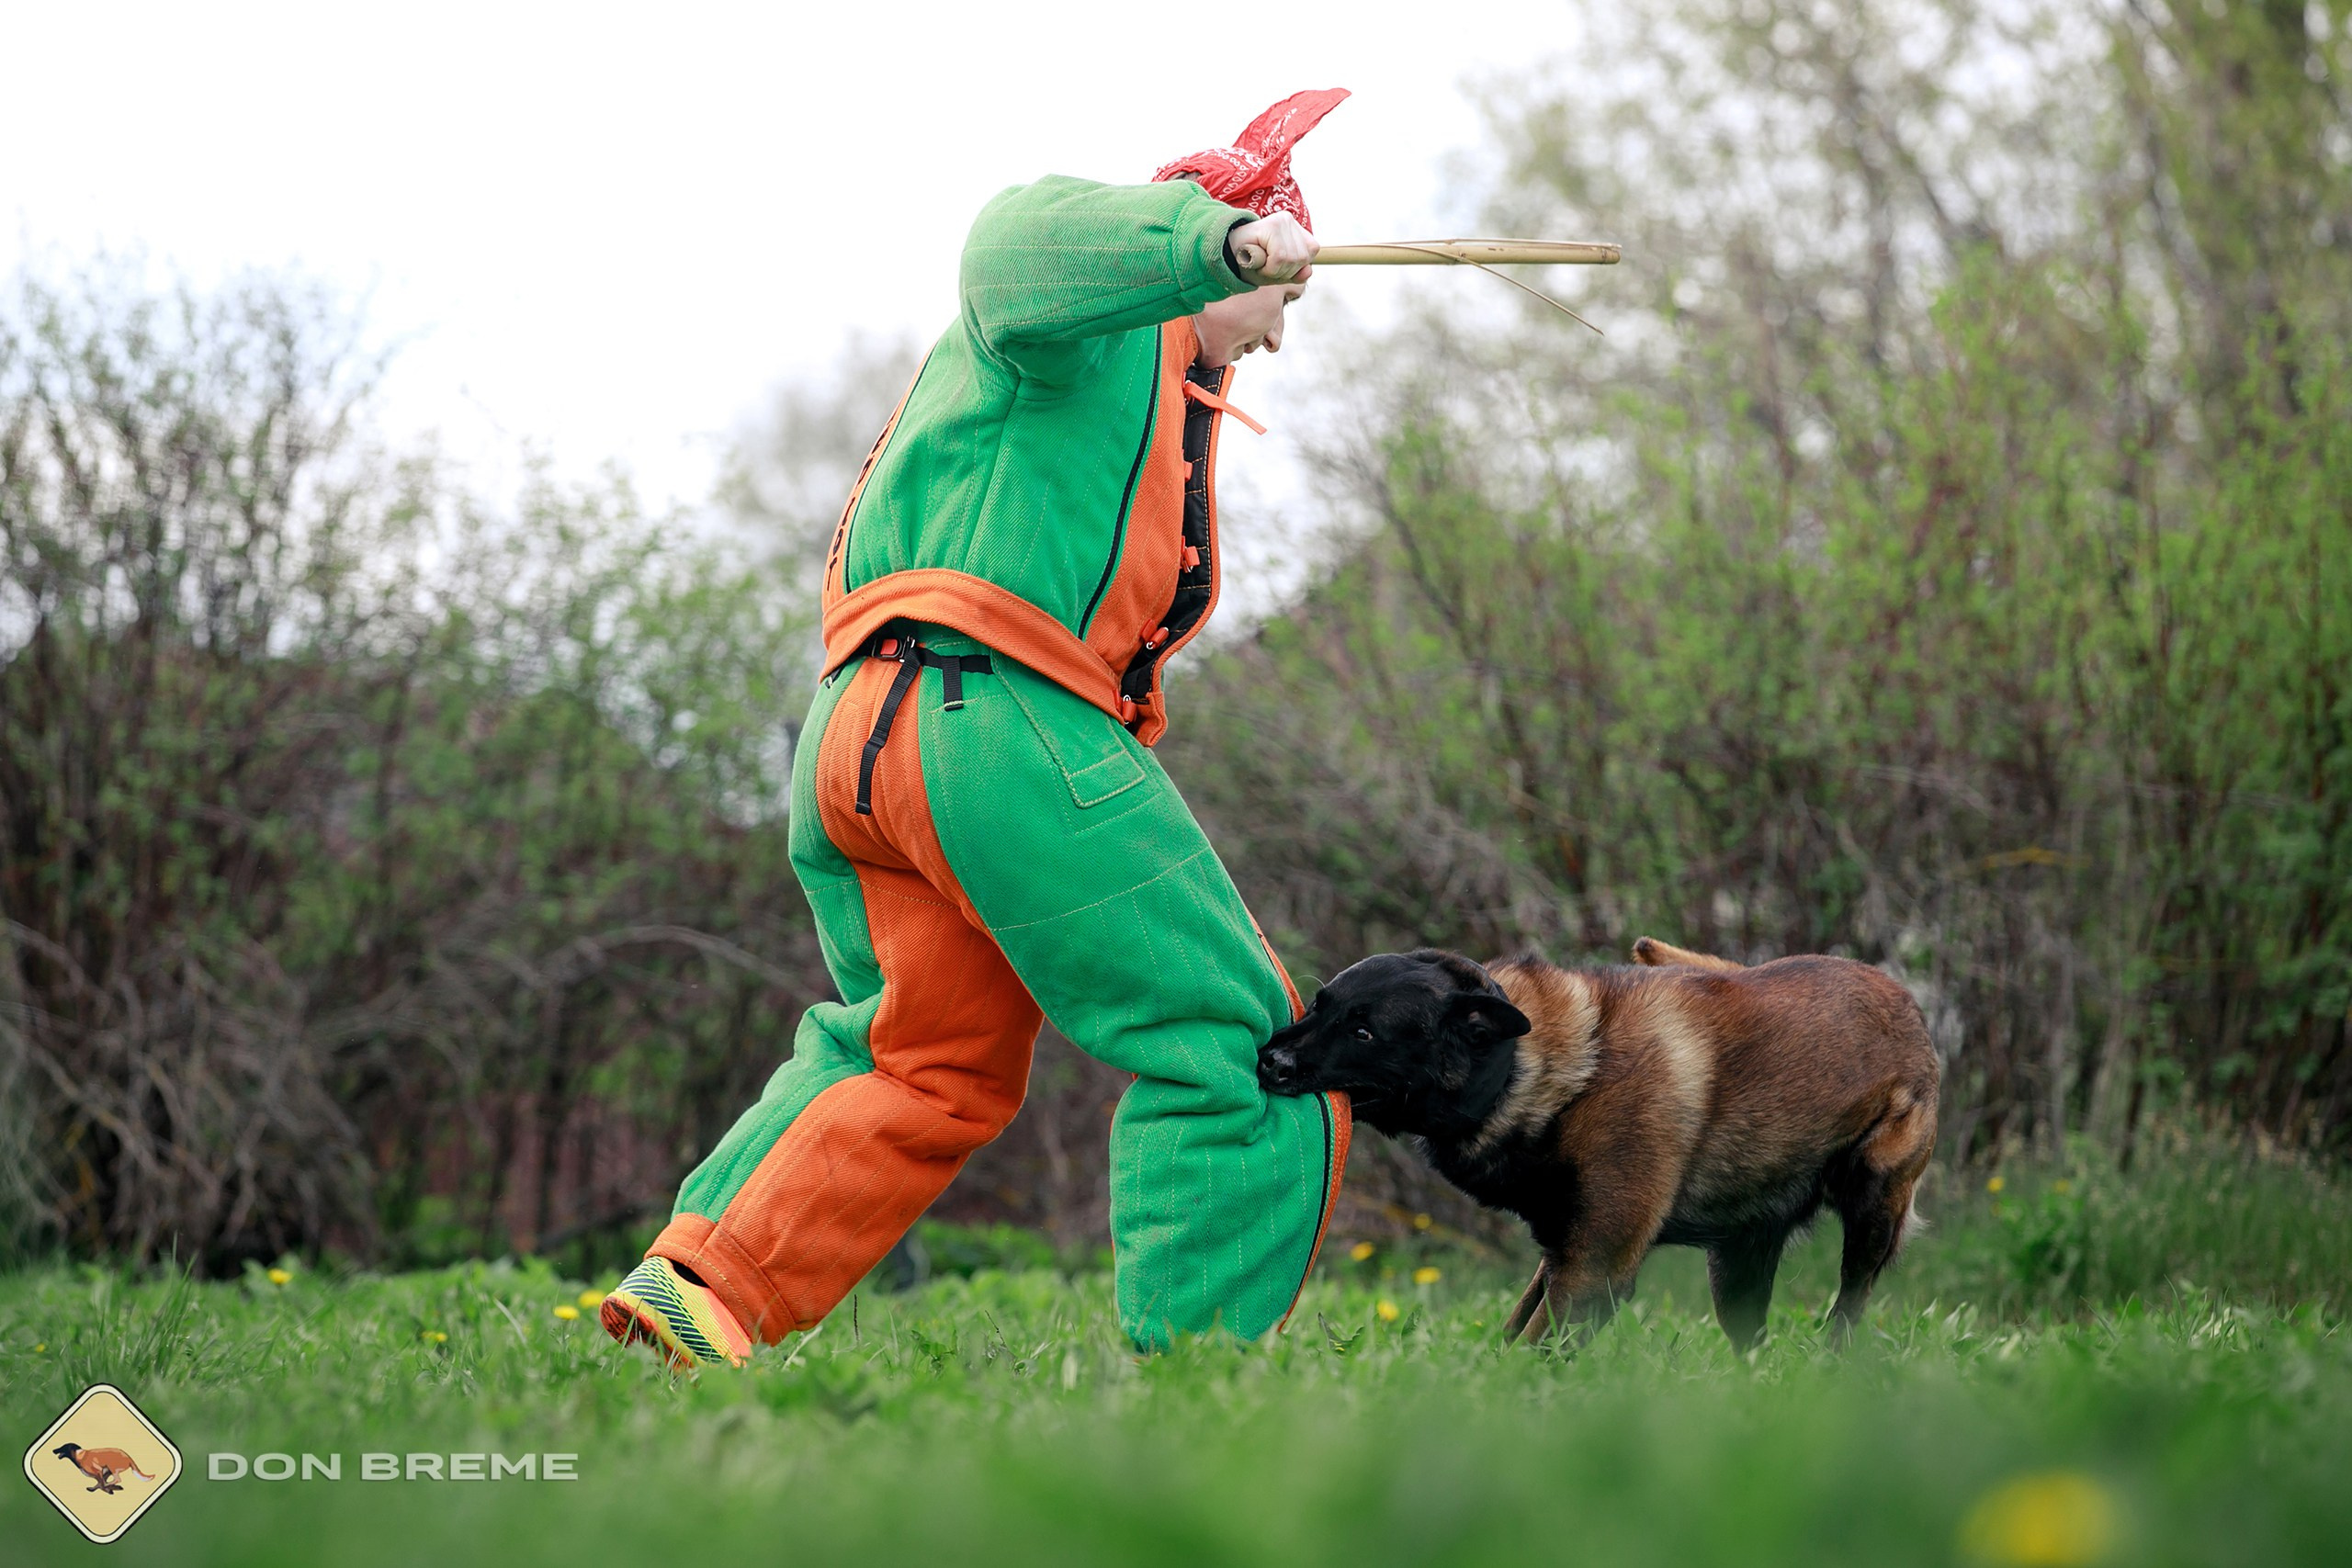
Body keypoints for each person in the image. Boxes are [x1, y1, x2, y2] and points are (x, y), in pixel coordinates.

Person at [602, 90, 1354, 1366]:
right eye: (1287, 299)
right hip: (992, 715)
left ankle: (703, 1297)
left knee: (919, 1054)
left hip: (869, 731)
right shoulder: (1089, 323)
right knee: (1244, 1035)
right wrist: (1216, 245)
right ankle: (1205, 1376)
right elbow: (1008, 244)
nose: (1282, 333)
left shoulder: (1145, 382)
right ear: (1237, 238)